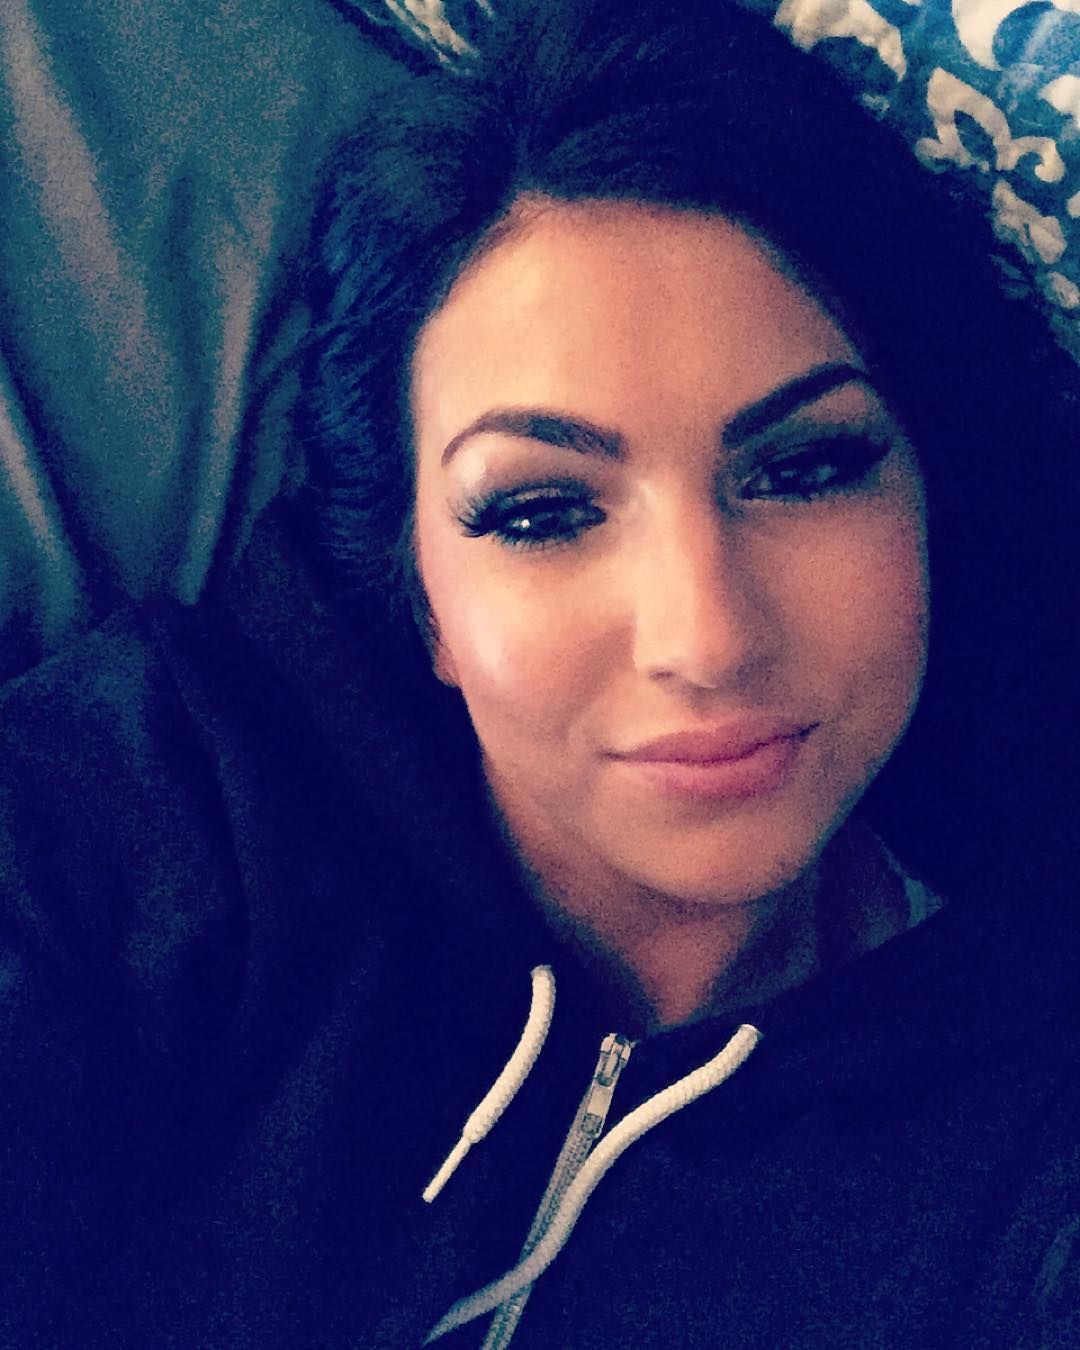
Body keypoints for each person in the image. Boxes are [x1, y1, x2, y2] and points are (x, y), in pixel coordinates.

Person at [2, 1, 1078, 1346]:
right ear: (418, 593)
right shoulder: (154, 808)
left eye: (807, 468)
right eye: (541, 511)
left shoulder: (1033, 1129)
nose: (707, 638)